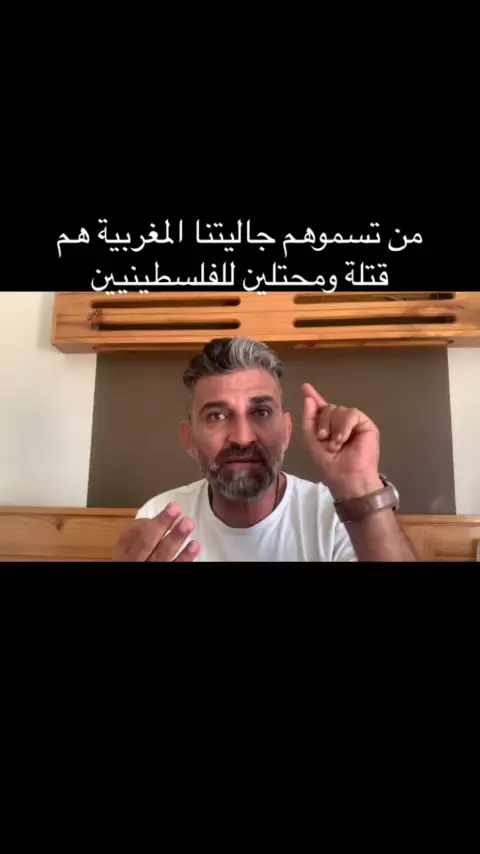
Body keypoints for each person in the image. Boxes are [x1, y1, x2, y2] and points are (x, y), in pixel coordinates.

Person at [113, 337, 417, 562]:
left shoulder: (332, 518)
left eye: (260, 412)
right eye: (216, 416)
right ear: (189, 439)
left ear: (286, 431)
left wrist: (361, 487)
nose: (242, 438)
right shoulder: (160, 519)